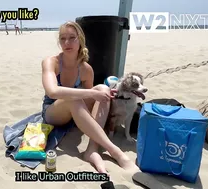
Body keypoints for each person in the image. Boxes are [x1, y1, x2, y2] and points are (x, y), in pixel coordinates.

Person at [41, 21, 139, 174]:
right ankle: (115, 151)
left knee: (103, 88)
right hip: (53, 112)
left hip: (74, 113)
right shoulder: (51, 62)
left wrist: (103, 95)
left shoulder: (86, 69)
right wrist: (92, 94)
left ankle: (92, 150)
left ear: (80, 39)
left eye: (72, 37)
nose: (66, 42)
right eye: (62, 38)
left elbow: (91, 105)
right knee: (76, 98)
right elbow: (52, 91)